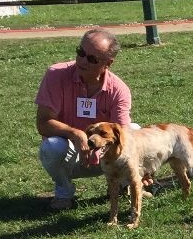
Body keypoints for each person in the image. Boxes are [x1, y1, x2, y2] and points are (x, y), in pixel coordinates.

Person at [34, 28, 132, 210]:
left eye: (92, 59)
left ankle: (122, 183)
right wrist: (75, 134)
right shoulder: (55, 74)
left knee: (132, 131)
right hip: (70, 154)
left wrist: (139, 166)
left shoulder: (119, 90)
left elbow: (123, 135)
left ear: (108, 63)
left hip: (103, 157)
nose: (82, 61)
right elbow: (43, 123)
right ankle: (64, 192)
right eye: (81, 52)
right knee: (52, 146)